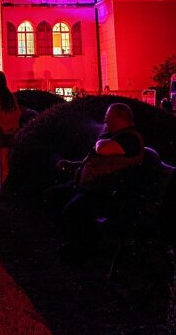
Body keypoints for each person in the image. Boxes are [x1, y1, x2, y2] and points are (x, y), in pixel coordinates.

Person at [46, 103, 145, 262]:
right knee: (53, 196)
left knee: (73, 210)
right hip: (92, 187)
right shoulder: (116, 136)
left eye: (108, 118)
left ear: (120, 118)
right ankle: (76, 241)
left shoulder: (129, 138)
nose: (106, 121)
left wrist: (100, 140)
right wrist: (74, 165)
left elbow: (103, 150)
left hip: (107, 192)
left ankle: (82, 248)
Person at [0, 71, 22, 192]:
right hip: (8, 133)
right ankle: (3, 190)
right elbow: (17, 113)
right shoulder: (9, 96)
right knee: (4, 163)